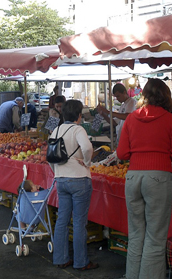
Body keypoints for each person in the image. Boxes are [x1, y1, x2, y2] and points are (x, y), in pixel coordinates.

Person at [117, 78, 172, 279]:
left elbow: (121, 153)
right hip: (159, 177)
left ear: (144, 95)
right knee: (155, 238)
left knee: (136, 235)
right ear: (166, 96)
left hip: (133, 178)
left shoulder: (131, 118)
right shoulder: (170, 119)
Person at [49, 100, 98, 271]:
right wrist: (86, 162)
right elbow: (87, 147)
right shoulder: (78, 129)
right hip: (79, 179)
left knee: (62, 220)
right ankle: (81, 262)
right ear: (78, 115)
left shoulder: (55, 130)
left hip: (61, 179)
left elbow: (49, 155)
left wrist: (56, 171)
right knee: (78, 222)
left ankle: (61, 259)